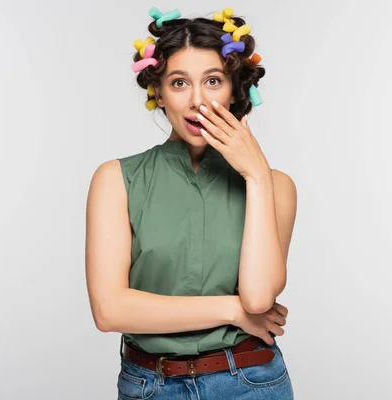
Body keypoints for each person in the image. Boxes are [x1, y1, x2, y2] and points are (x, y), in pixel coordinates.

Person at [85, 7, 298, 399]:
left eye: (213, 81)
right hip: (150, 385)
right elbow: (109, 310)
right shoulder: (116, 180)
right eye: (179, 82)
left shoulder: (275, 186)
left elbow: (258, 297)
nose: (198, 100)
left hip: (250, 382)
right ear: (159, 93)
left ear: (235, 90)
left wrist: (255, 174)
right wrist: (233, 312)